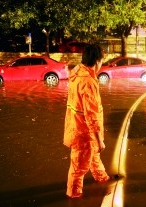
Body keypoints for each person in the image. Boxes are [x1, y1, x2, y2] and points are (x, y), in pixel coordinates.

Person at [63, 44, 110, 198]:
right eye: (101, 61)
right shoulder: (87, 82)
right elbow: (91, 115)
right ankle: (74, 194)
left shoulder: (77, 73)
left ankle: (102, 178)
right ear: (97, 61)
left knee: (94, 155)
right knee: (79, 167)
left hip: (76, 126)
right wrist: (99, 139)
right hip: (84, 132)